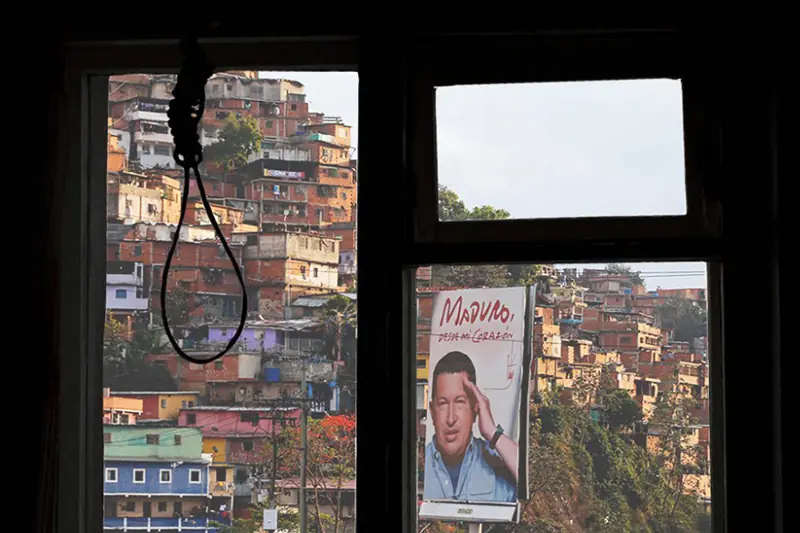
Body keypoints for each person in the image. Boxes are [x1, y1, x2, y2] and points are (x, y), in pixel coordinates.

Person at [424, 351, 518, 502]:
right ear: (432, 411)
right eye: (443, 404)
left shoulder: (497, 465)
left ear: (475, 408)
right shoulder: (418, 462)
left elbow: (532, 482)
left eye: (460, 402)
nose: (450, 418)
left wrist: (493, 433)